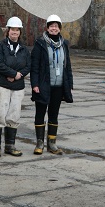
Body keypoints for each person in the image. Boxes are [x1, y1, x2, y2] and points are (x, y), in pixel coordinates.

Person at [30, 14, 73, 155]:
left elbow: (67, 66)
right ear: (47, 28)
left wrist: (69, 84)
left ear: (60, 29)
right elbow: (34, 66)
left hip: (58, 86)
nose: (54, 28)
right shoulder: (40, 44)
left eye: (56, 26)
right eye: (51, 26)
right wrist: (34, 84)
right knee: (40, 113)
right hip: (43, 85)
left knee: (54, 114)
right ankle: (39, 143)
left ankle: (52, 144)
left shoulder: (64, 44)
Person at [0, 16, 31, 158]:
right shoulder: (0, 47)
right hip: (1, 85)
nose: (15, 32)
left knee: (14, 115)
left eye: (17, 30)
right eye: (12, 29)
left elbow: (28, 65)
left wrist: (18, 75)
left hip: (17, 87)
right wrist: (12, 73)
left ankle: (10, 146)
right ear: (8, 31)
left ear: (20, 32)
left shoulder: (24, 49)